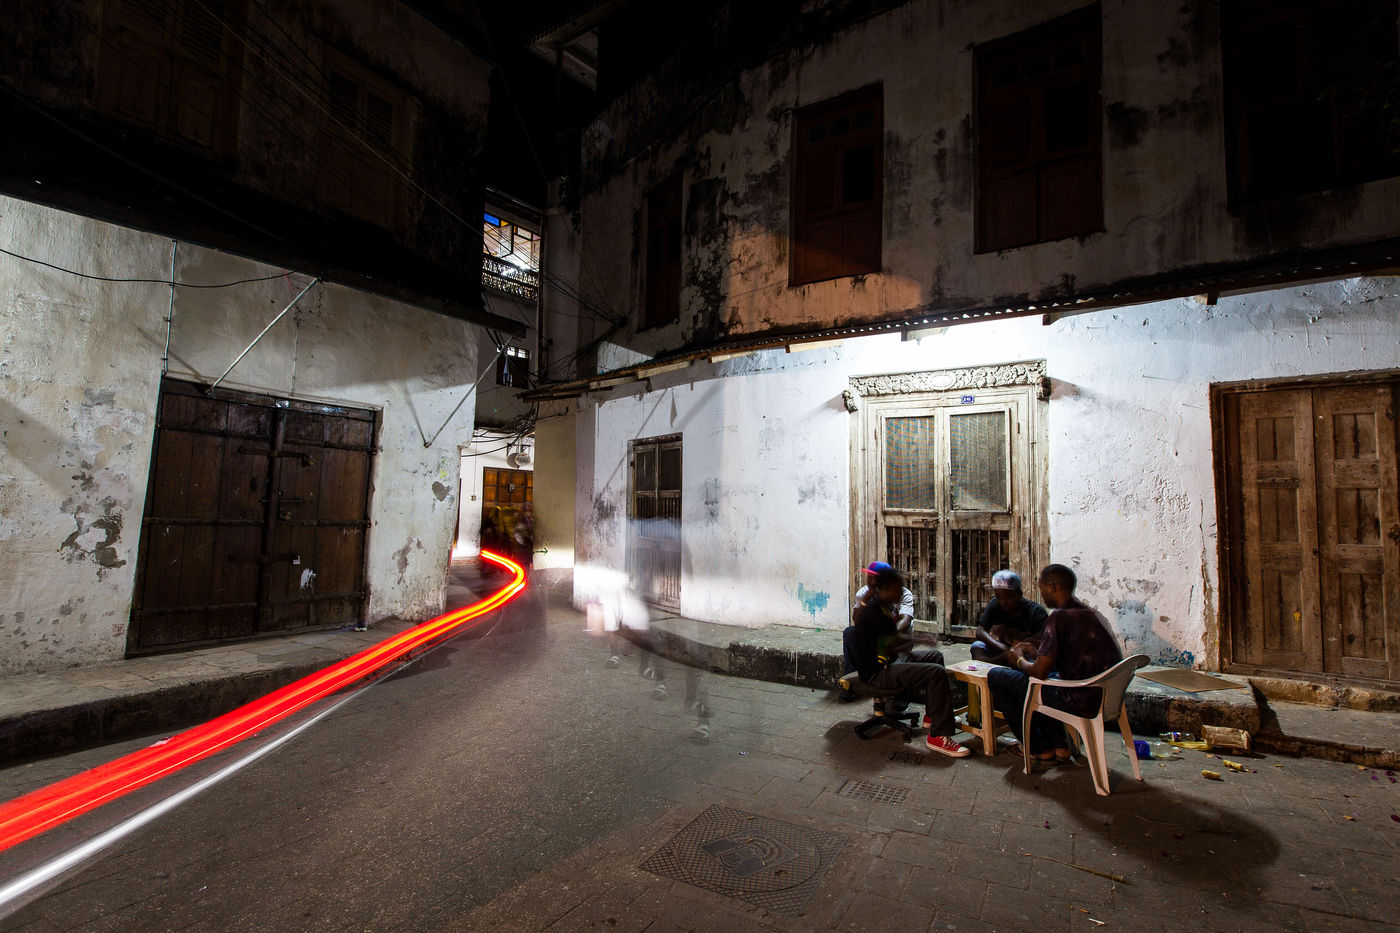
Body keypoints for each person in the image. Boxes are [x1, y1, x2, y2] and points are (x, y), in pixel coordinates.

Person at [986, 563, 1123, 763]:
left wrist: (1019, 659)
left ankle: (1037, 748)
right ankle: (1059, 746)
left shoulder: (1058, 617)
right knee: (1040, 680)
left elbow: (1039, 672)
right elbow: (1066, 657)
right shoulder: (1090, 613)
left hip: (1078, 699)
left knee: (999, 677)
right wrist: (1036, 653)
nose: (1041, 594)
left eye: (1041, 588)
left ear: (1052, 587)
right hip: (1104, 695)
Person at [843, 565, 969, 758]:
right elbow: (894, 645)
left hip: (888, 662)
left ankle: (933, 716)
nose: (901, 593)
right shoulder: (873, 613)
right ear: (885, 589)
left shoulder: (883, 609)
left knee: (935, 657)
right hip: (878, 673)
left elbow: (894, 641)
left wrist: (920, 641)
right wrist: (919, 641)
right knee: (935, 672)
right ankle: (938, 736)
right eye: (897, 589)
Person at [840, 561, 915, 699]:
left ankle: (899, 697)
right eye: (869, 576)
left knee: (897, 660)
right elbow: (857, 621)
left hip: (897, 638)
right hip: (876, 641)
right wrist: (866, 598)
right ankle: (851, 682)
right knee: (850, 633)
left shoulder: (902, 593)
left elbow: (905, 619)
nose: (870, 580)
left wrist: (888, 633)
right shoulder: (864, 593)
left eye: (874, 577)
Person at [970, 570, 1049, 664]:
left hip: (1024, 652)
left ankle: (992, 663)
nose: (1003, 602)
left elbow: (1044, 642)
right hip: (1002, 649)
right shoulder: (995, 604)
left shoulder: (1036, 612)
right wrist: (1004, 648)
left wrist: (1016, 645)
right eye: (999, 598)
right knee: (977, 646)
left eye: (1008, 598)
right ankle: (998, 661)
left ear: (1019, 594)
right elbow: (980, 631)